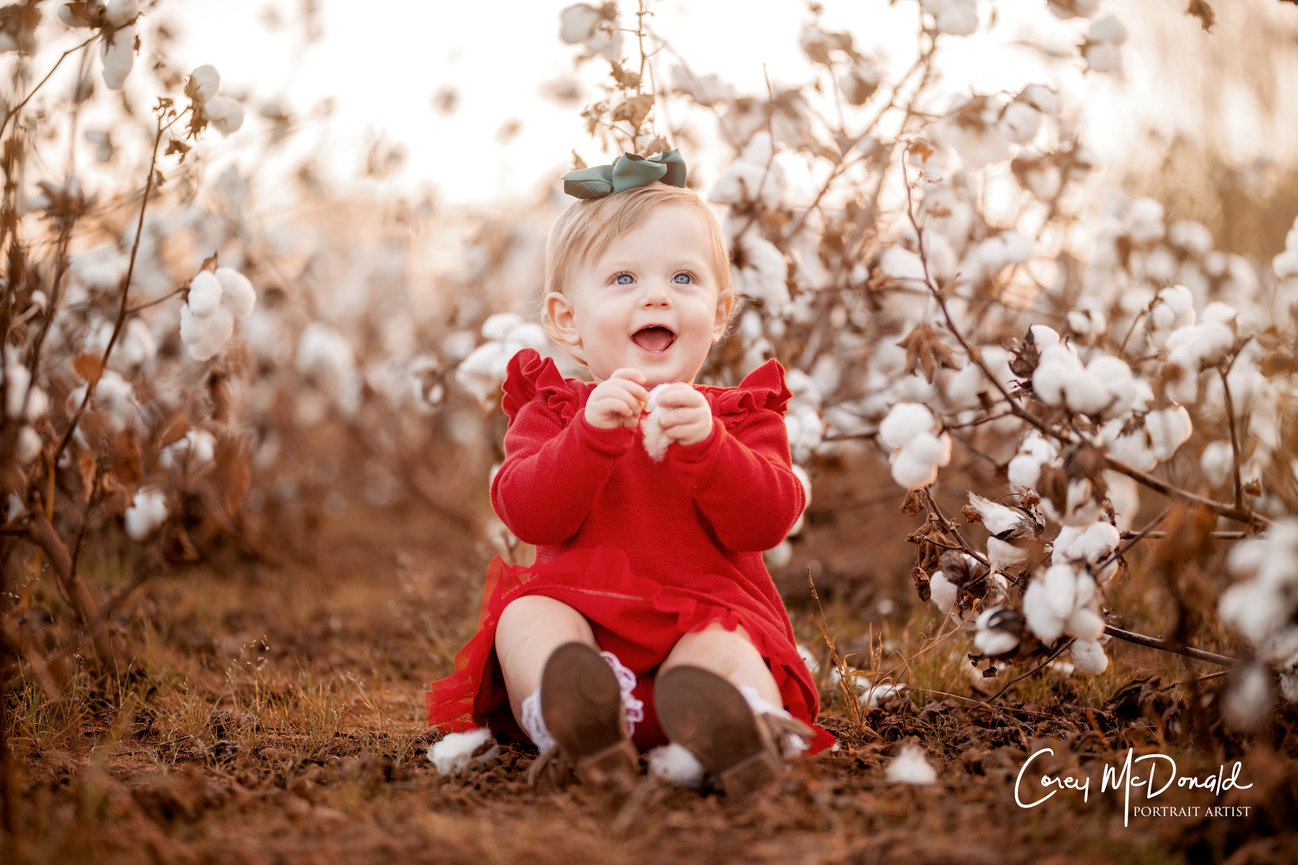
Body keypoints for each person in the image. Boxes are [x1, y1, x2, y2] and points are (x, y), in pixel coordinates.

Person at [427, 150, 834, 796]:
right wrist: (588, 440)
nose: (655, 294)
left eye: (682, 277)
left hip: (706, 621)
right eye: (623, 279)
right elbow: (527, 511)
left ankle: (739, 729)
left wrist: (710, 446)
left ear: (720, 309)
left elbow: (768, 518)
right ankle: (577, 719)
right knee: (524, 616)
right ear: (567, 319)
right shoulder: (556, 412)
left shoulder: (739, 416)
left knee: (722, 648)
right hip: (588, 634)